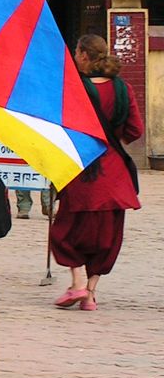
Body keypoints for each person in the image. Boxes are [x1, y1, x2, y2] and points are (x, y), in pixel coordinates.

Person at [51, 34, 142, 313]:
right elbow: (135, 130)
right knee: (107, 237)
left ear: (84, 56)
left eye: (77, 52)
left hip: (82, 169)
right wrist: (112, 143)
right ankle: (90, 294)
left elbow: (60, 124)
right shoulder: (123, 89)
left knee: (67, 229)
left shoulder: (74, 88)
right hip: (114, 175)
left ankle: (77, 282)